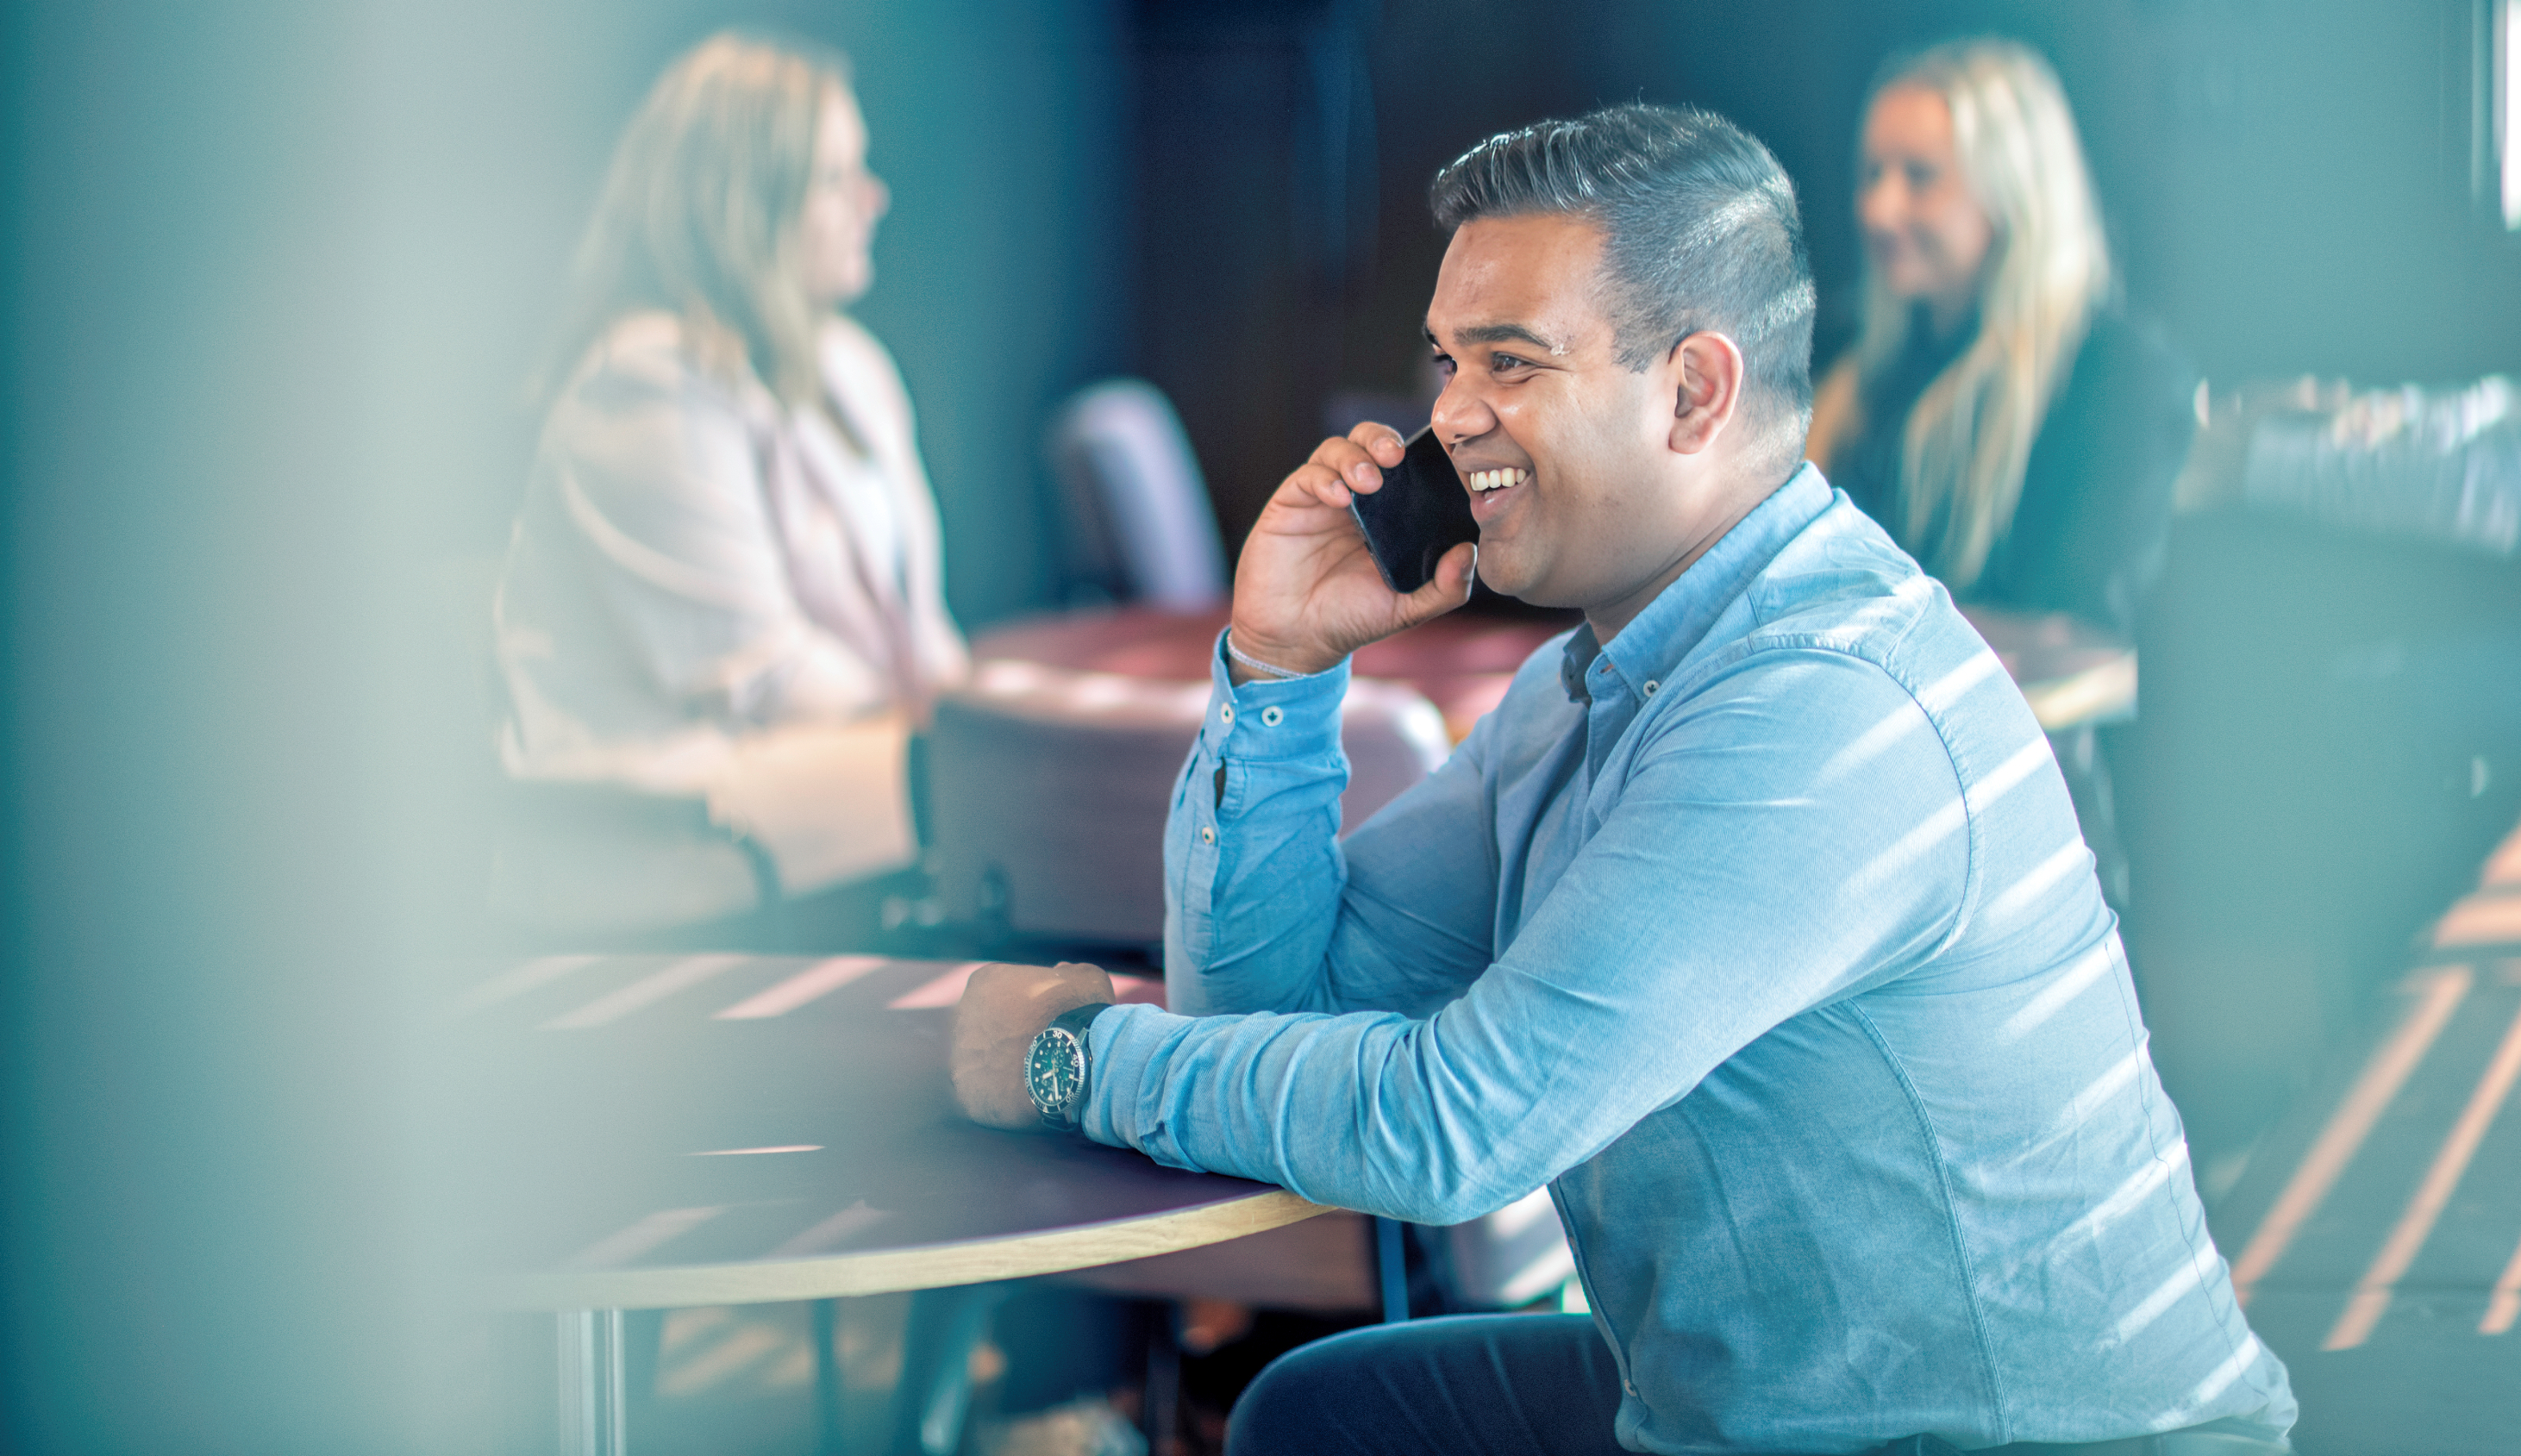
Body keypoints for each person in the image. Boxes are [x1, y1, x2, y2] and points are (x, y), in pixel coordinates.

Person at [948, 104, 2295, 1454]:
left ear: (1694, 392)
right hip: (1755, 1414)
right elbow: (1257, 1006)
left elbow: (1450, 1129)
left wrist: (1076, 1061)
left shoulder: (1821, 706)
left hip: (2048, 1444)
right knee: (1323, 1411)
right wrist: (1282, 671)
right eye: (1449, 362)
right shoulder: (1584, 689)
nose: (1449, 417)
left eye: (1513, 364)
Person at [492, 32, 966, 934]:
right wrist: (965, 745)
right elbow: (764, 676)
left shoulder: (850, 363)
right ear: (742, 205)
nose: (874, 198)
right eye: (835, 178)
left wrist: (987, 721)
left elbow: (919, 629)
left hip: (836, 814)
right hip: (666, 865)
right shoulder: (642, 382)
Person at [1805, 39, 2197, 640]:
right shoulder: (1859, 369)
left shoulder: (2117, 374)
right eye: (1873, 174)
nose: (1880, 209)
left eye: (1920, 177)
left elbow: (2077, 626)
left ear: (2011, 191)